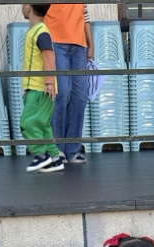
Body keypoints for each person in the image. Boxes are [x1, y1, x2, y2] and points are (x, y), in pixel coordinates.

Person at [45, 3, 93, 164]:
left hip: (80, 46)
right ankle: (56, 149)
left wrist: (91, 44)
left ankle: (73, 149)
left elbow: (85, 16)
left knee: (80, 97)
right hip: (55, 42)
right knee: (62, 93)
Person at [20, 4, 64, 173]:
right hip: (38, 87)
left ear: (28, 7)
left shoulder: (40, 31)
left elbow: (48, 54)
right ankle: (55, 158)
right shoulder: (39, 30)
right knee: (43, 125)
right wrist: (28, 87)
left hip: (40, 88)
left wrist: (49, 82)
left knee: (27, 123)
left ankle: (41, 155)